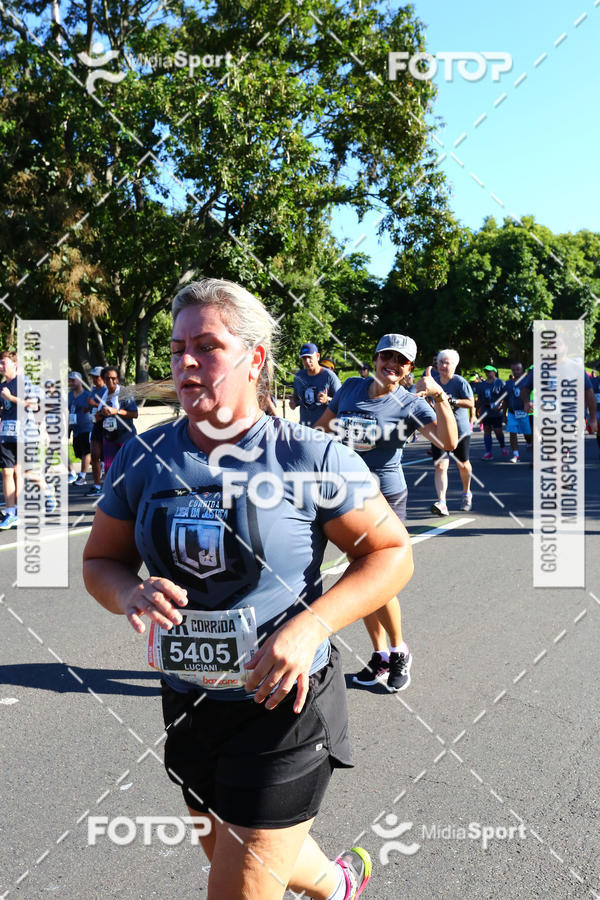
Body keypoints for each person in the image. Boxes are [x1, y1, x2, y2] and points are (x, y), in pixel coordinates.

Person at [83, 278, 414, 900]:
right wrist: (129, 593)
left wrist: (312, 624)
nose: (184, 361)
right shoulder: (143, 456)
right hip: (191, 699)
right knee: (230, 851)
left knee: (235, 886)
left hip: (285, 706)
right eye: (177, 346)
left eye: (206, 346)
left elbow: (390, 554)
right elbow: (101, 560)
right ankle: (339, 884)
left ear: (254, 358)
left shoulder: (309, 455)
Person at [315, 334, 457, 692]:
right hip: (344, 497)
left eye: (401, 361)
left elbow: (448, 441)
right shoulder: (350, 388)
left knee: (374, 576)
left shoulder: (410, 403)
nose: (392, 364)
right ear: (375, 359)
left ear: (408, 368)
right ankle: (379, 656)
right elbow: (321, 429)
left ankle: (398, 652)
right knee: (360, 574)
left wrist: (439, 396)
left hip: (384, 500)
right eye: (386, 357)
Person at [430, 349, 475, 516]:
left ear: (454, 365)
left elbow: (471, 402)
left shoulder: (460, 382)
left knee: (462, 464)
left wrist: (452, 401)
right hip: (439, 429)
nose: (443, 365)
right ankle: (442, 502)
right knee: (440, 465)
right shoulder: (433, 382)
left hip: (460, 431)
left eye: (446, 362)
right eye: (441, 362)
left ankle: (466, 493)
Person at [0, 350, 39, 530]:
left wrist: (10, 397)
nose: (1, 367)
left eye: (3, 363)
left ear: (14, 364)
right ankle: (10, 512)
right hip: (6, 434)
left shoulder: (23, 382)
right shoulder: (1, 386)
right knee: (7, 472)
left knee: (20, 472)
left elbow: (33, 404)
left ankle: (19, 509)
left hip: (24, 434)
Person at [94, 366, 138, 475]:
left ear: (117, 379)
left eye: (113, 378)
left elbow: (135, 414)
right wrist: (99, 415)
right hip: (109, 436)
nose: (110, 381)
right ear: (103, 379)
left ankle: (131, 491)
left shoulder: (124, 393)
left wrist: (117, 411)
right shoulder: (102, 394)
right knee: (110, 469)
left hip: (125, 436)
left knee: (128, 467)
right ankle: (113, 491)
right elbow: (98, 414)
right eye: (107, 378)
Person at [289, 343, 341, 428]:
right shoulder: (298, 376)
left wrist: (327, 400)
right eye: (304, 358)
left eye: (310, 357)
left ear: (317, 356)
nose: (307, 361)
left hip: (325, 430)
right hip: (305, 428)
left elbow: (342, 401)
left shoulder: (329, 376)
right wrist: (293, 402)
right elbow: (298, 398)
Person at [475, 366, 508, 459]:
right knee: (487, 429)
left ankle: (502, 445)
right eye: (486, 371)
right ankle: (488, 452)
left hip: (497, 412)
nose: (487, 373)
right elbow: (479, 399)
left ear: (494, 372)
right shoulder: (482, 385)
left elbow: (505, 397)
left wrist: (501, 405)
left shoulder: (500, 383)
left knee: (498, 431)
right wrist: (477, 410)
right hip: (486, 410)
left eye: (489, 371)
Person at [503, 362, 532, 463]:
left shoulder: (528, 382)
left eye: (518, 369)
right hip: (512, 412)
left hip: (525, 412)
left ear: (522, 370)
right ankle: (516, 455)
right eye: (514, 370)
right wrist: (504, 415)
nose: (515, 372)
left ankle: (529, 442)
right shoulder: (508, 383)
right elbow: (505, 400)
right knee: (513, 432)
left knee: (528, 433)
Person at [67, 372, 93, 484]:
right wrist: (68, 430)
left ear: (80, 381)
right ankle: (99, 463)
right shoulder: (69, 396)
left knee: (85, 452)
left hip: (86, 427)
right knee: (78, 453)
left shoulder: (87, 395)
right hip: (75, 429)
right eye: (70, 380)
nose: (71, 382)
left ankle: (82, 476)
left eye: (73, 380)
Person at [86, 366, 108, 496]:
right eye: (93, 377)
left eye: (96, 377)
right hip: (95, 425)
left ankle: (109, 486)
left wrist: (94, 404)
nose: (94, 379)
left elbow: (109, 407)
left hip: (107, 425)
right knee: (94, 455)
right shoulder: (93, 390)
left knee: (109, 458)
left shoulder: (107, 390)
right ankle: (96, 485)